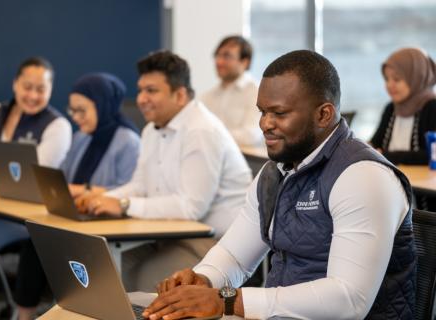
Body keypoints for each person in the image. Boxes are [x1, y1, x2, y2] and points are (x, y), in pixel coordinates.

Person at [143, 50, 416, 320]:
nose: (265, 124)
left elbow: (349, 300)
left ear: (323, 115)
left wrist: (227, 301)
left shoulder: (363, 176)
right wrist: (204, 279)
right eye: (262, 112)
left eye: (279, 113)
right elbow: (234, 256)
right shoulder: (274, 173)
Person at [77, 51, 252, 292]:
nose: (141, 99)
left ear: (180, 95)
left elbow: (191, 208)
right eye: (140, 90)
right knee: (101, 270)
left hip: (213, 244)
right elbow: (140, 186)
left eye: (151, 91)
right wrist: (105, 199)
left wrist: (125, 205)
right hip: (167, 234)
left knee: (145, 284)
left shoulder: (201, 131)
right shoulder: (151, 129)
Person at [13, 72, 141, 320]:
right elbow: (65, 179)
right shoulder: (82, 137)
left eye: (82, 111)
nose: (76, 118)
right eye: (73, 111)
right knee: (36, 241)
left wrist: (85, 191)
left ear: (103, 105)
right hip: (77, 217)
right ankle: (25, 315)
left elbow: (132, 189)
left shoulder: (128, 142)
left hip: (109, 225)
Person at [0, 57, 72, 290]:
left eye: (41, 89)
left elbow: (36, 177)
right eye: (27, 87)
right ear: (15, 84)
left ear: (51, 90)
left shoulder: (58, 126)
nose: (33, 96)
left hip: (28, 217)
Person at [370, 47, 436, 165]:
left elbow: (431, 155)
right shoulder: (391, 108)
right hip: (390, 178)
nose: (389, 85)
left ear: (416, 78)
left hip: (422, 182)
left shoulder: (432, 107)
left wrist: (386, 155)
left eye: (397, 79)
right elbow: (375, 143)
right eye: (386, 79)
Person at [200, 35, 262, 147]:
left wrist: (212, 135)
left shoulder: (257, 92)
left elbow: (251, 136)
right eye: (217, 56)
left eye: (226, 56)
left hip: (248, 161)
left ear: (245, 62)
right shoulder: (208, 96)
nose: (219, 62)